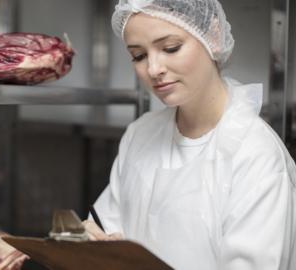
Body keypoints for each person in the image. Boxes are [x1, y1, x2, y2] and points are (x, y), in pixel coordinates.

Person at [82, 0, 296, 269]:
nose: (153, 69)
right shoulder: (141, 134)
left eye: (170, 48)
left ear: (214, 37)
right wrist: (86, 243)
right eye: (138, 55)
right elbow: (108, 231)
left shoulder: (255, 155)